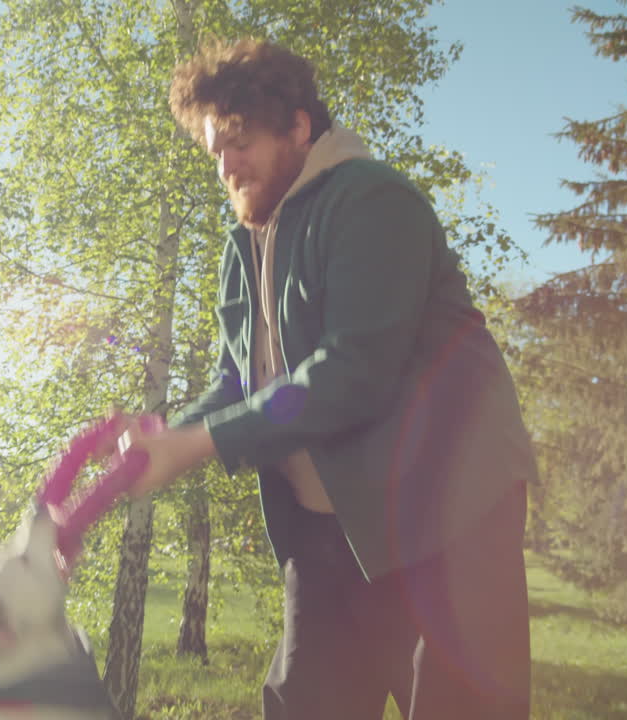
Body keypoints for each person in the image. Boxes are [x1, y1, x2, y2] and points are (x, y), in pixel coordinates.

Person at [117, 38, 537, 719]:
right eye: (213, 150)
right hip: (326, 529)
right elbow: (238, 381)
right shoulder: (243, 246)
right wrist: (171, 433)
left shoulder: (374, 200)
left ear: (299, 127)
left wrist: (199, 447)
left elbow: (353, 372)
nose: (224, 165)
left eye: (240, 141)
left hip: (449, 515)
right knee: (308, 704)